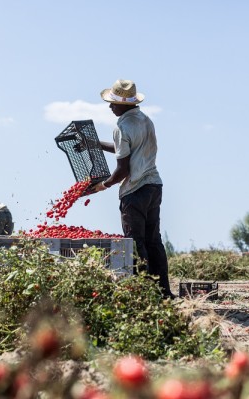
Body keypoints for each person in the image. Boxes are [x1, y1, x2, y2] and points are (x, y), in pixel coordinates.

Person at [92, 79, 175, 299]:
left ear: (124, 105)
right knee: (153, 240)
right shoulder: (145, 120)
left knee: (135, 243)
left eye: (113, 103)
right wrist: (98, 144)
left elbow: (123, 168)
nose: (110, 107)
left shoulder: (121, 127)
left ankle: (143, 294)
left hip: (135, 190)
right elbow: (127, 150)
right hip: (153, 186)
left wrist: (103, 185)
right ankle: (163, 291)